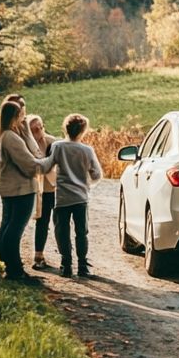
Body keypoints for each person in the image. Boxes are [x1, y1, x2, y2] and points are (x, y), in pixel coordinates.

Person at [0, 98, 55, 283]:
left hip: (10, 188)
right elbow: (30, 166)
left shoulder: (4, 135)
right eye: (21, 114)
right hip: (20, 189)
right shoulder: (12, 138)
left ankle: (10, 265)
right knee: (15, 229)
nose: (24, 118)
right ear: (14, 116)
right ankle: (15, 269)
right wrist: (51, 161)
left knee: (7, 225)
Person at [51, 114, 103, 278]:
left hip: (61, 196)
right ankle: (82, 266)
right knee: (81, 232)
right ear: (83, 131)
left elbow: (49, 165)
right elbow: (96, 174)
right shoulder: (87, 150)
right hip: (80, 197)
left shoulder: (57, 147)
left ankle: (66, 264)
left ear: (65, 128)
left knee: (62, 230)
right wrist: (86, 182)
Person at [27, 114, 58, 269]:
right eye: (34, 129)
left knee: (59, 222)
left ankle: (66, 257)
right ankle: (38, 255)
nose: (39, 131)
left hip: (53, 188)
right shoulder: (25, 145)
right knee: (42, 221)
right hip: (35, 189)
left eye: (40, 127)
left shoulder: (53, 143)